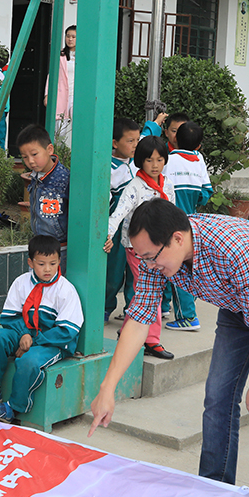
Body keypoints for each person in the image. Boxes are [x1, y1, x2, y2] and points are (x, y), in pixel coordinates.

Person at [90, 199, 249, 491]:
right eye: (142, 257)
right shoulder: (155, 258)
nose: (148, 265)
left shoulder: (232, 249)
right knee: (218, 400)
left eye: (151, 257)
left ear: (177, 238)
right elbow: (139, 317)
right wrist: (108, 388)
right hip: (235, 305)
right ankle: (215, 488)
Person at [0, 235, 82, 423]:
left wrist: (32, 343)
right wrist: (23, 334)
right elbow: (10, 316)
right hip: (27, 334)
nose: (47, 269)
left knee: (29, 361)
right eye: (41, 264)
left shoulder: (66, 290)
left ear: (59, 261)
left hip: (52, 342)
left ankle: (14, 408)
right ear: (30, 262)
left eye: (53, 263)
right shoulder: (21, 282)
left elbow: (66, 331)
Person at [103, 136, 175, 360]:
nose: (155, 165)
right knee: (149, 292)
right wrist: (108, 234)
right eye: (149, 160)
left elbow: (173, 215)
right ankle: (151, 340)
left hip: (160, 250)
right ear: (139, 162)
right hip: (137, 250)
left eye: (160, 159)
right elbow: (119, 213)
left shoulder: (167, 185)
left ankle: (128, 332)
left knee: (147, 293)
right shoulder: (135, 186)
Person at [162, 121, 212, 332]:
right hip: (190, 222)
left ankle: (188, 317)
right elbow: (206, 192)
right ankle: (165, 307)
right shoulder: (198, 160)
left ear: (175, 139)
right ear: (199, 145)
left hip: (169, 222)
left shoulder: (167, 159)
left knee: (174, 269)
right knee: (169, 266)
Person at [105, 117, 139, 323]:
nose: (135, 145)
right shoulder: (108, 168)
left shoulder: (138, 164)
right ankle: (104, 308)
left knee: (135, 273)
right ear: (115, 143)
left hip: (137, 228)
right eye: (130, 141)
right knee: (113, 272)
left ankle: (133, 311)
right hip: (117, 229)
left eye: (137, 141)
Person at [17, 125, 69, 244]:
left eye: (34, 154)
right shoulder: (36, 176)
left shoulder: (64, 178)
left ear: (49, 149)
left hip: (60, 245)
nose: (30, 161)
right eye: (25, 157)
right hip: (40, 242)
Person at [43, 25, 76, 141]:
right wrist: (47, 94)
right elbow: (51, 75)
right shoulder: (60, 55)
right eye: (68, 36)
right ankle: (59, 154)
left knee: (76, 126)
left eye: (73, 37)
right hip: (61, 95)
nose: (70, 39)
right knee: (59, 130)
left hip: (76, 95)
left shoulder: (83, 57)